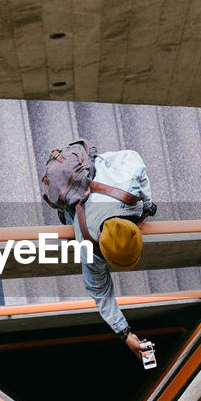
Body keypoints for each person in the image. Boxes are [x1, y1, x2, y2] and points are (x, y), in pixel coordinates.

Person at [55, 148, 157, 356]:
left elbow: (134, 158)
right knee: (71, 218)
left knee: (76, 216)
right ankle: (66, 210)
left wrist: (125, 334)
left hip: (101, 173)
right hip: (91, 184)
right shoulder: (88, 247)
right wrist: (147, 204)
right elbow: (99, 291)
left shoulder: (130, 181)